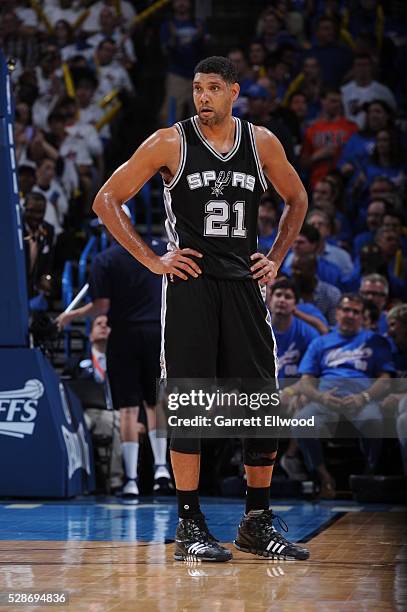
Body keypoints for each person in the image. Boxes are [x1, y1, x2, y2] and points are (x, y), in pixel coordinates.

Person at [92, 56, 309, 562]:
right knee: (190, 405)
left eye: (213, 88)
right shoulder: (170, 141)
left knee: (260, 405)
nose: (203, 96)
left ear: (234, 92)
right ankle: (189, 523)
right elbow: (107, 199)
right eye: (197, 88)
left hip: (243, 286)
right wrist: (152, 260)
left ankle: (256, 521)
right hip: (190, 286)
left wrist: (275, 258)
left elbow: (297, 199)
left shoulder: (262, 143)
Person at [57, 220, 173, 498]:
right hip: (157, 333)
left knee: (128, 410)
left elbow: (101, 307)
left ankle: (131, 480)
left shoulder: (104, 259)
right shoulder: (157, 249)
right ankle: (161, 471)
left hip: (124, 336)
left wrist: (69, 316)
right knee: (156, 403)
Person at [293, 294, 394, 498]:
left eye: (356, 312)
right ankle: (324, 478)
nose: (350, 315)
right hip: (327, 399)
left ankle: (368, 476)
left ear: (362, 316)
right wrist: (320, 397)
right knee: (301, 421)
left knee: (373, 419)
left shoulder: (375, 341)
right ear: (337, 313)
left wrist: (364, 397)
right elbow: (305, 380)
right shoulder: (321, 343)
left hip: (362, 400)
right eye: (346, 310)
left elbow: (385, 379)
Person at [64, 315, 124, 492]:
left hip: (110, 412)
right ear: (90, 335)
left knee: (119, 424)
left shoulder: (121, 362)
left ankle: (115, 481)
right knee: (75, 428)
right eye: (99, 324)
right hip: (83, 412)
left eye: (108, 324)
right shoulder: (76, 361)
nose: (104, 327)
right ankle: (80, 481)